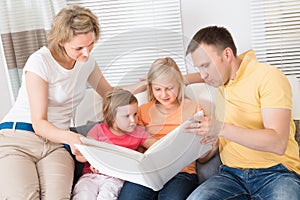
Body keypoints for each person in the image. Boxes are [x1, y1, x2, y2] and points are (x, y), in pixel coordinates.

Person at [0, 5, 144, 199]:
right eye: (78, 48)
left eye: (90, 44)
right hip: (19, 138)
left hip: (56, 145)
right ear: (61, 42)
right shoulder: (40, 62)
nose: (86, 53)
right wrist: (72, 138)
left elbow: (110, 94)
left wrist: (145, 84)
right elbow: (40, 123)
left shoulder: (87, 62)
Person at [184, 26, 300, 200]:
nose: (203, 75)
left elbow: (278, 143)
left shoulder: (268, 77)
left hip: (277, 173)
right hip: (231, 176)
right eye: (199, 67)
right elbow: (199, 76)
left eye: (205, 65)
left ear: (227, 55)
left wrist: (220, 128)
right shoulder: (220, 79)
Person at [118, 57, 218, 200]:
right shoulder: (142, 110)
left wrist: (212, 148)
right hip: (149, 172)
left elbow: (201, 157)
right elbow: (136, 146)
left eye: (169, 88)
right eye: (157, 89)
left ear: (179, 84)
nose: (163, 94)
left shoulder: (194, 109)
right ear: (151, 87)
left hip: (182, 173)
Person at [72, 89, 157, 200]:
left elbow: (158, 145)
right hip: (91, 176)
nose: (133, 120)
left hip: (115, 179)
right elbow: (82, 156)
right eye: (127, 116)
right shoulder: (98, 130)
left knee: (107, 196)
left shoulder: (137, 133)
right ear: (112, 117)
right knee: (84, 194)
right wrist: (93, 161)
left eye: (135, 114)